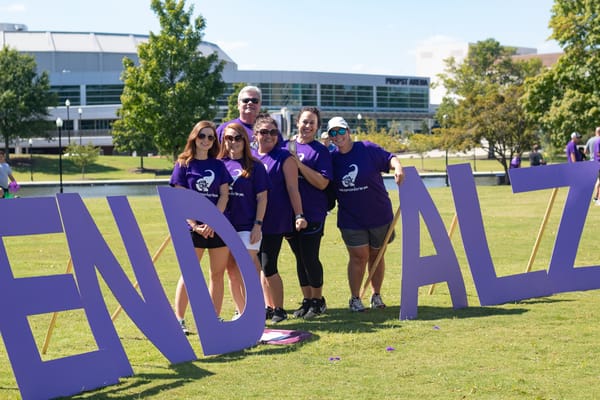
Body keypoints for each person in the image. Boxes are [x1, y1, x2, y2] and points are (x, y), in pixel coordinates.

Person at [327, 116, 405, 312]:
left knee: (376, 256)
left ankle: (376, 295)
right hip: (350, 218)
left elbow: (389, 158)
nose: (338, 136)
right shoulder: (332, 159)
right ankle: (355, 298)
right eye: (333, 133)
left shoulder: (367, 149)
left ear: (349, 132)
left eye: (341, 131)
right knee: (358, 257)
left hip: (379, 214)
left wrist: (398, 167)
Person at [169, 121, 233, 334]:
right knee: (189, 273)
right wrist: (195, 225)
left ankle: (212, 320)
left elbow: (224, 194)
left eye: (210, 137)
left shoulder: (218, 165)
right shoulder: (183, 164)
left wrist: (213, 221)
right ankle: (179, 320)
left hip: (217, 227)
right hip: (191, 228)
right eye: (202, 136)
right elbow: (178, 199)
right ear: (194, 137)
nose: (206, 140)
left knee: (217, 274)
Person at [253, 114, 307, 323]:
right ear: (256, 134)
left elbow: (293, 188)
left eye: (273, 132)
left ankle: (280, 309)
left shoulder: (284, 157)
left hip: (275, 220)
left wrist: (299, 214)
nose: (268, 136)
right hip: (253, 219)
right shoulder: (250, 157)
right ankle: (268, 306)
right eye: (264, 132)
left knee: (269, 265)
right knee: (259, 266)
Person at [217, 123, 271, 321]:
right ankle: (243, 314)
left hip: (248, 226)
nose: (233, 142)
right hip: (224, 227)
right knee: (231, 270)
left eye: (238, 138)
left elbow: (262, 198)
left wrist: (258, 224)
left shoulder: (255, 166)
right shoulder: (218, 164)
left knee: (247, 269)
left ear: (245, 141)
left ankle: (256, 312)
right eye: (229, 138)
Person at [285, 106, 333, 319]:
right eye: (304, 121)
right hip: (289, 213)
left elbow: (322, 183)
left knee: (310, 257)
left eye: (312, 123)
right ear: (297, 123)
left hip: (313, 212)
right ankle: (306, 300)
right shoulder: (287, 147)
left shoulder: (320, 151)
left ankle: (318, 300)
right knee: (299, 258)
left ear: (317, 127)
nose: (307, 126)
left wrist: (299, 164)